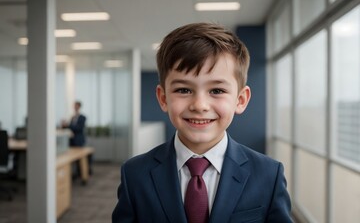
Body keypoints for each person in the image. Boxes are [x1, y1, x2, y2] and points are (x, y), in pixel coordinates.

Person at [112, 23, 292, 222]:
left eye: (216, 91)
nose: (199, 105)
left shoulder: (268, 174)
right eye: (183, 90)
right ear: (163, 98)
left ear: (240, 100)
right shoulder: (135, 175)